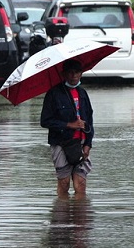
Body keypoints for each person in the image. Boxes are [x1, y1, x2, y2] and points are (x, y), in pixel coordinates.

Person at [40, 59, 94, 198]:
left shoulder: (83, 94)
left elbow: (90, 120)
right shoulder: (53, 94)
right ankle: (62, 215)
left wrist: (88, 144)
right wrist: (69, 125)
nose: (74, 76)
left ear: (81, 74)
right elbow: (45, 121)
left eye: (77, 72)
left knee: (80, 184)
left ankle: (79, 216)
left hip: (81, 143)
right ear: (64, 74)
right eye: (70, 73)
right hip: (61, 143)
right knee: (64, 183)